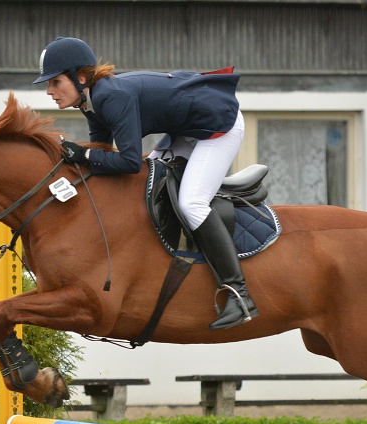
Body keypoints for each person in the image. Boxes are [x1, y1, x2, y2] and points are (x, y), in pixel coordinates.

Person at [33, 36, 257, 331]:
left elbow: (124, 162)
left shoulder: (109, 97)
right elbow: (101, 153)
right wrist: (76, 158)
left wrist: (84, 154)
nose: (50, 91)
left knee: (192, 203)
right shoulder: (91, 102)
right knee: (149, 175)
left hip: (217, 125)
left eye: (55, 82)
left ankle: (239, 294)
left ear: (81, 77)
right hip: (184, 129)